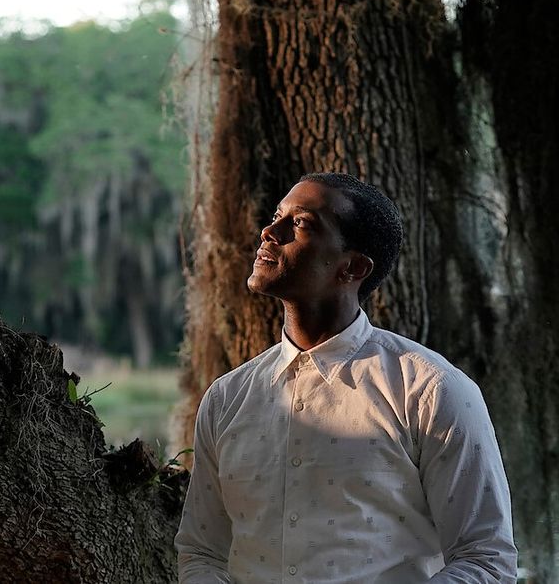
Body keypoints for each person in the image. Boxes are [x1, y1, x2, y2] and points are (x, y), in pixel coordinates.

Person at [175, 173, 516, 582]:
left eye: (300, 223)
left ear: (352, 266)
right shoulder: (227, 399)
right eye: (276, 216)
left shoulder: (429, 389)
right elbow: (202, 552)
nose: (269, 231)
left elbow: (485, 559)